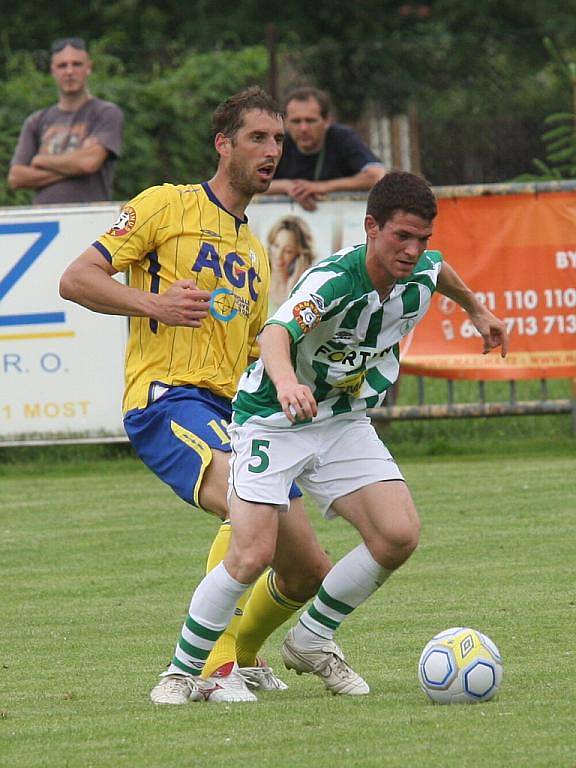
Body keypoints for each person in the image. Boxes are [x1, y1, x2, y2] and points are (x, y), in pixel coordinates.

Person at [168, 171, 509, 696]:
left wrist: (478, 309)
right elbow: (276, 333)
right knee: (251, 553)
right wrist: (285, 385)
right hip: (273, 420)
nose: (413, 250)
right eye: (402, 237)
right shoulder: (333, 280)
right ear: (371, 227)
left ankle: (312, 638)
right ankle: (180, 675)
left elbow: (441, 272)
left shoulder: (421, 268)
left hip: (343, 422)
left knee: (398, 534)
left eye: (422, 239)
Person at [59, 87, 330, 705]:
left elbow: (258, 346)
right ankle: (210, 667)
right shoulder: (164, 205)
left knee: (308, 567)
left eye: (279, 140)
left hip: (233, 413)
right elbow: (77, 279)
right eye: (258, 138)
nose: (272, 151)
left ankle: (253, 655)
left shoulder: (254, 254)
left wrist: (289, 379)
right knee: (246, 506)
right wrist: (153, 303)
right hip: (166, 400)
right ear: (223, 144)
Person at [8, 37, 123, 204]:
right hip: (46, 222)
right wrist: (74, 164)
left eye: (76, 64)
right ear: (53, 70)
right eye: (62, 65)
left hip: (91, 217)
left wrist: (41, 160)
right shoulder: (36, 121)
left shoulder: (105, 113)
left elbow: (89, 163)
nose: (69, 71)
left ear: (88, 67)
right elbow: (16, 177)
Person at [267, 86, 385, 211]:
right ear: (285, 122)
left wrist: (322, 187)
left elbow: (376, 175)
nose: (303, 128)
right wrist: (287, 187)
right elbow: (248, 181)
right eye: (296, 121)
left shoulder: (342, 138)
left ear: (327, 121)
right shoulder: (278, 142)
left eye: (310, 121)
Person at [267, 215, 318, 310]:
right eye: (276, 246)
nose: (278, 255)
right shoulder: (257, 281)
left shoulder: (305, 291)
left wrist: (293, 289)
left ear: (300, 256)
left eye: (288, 251)